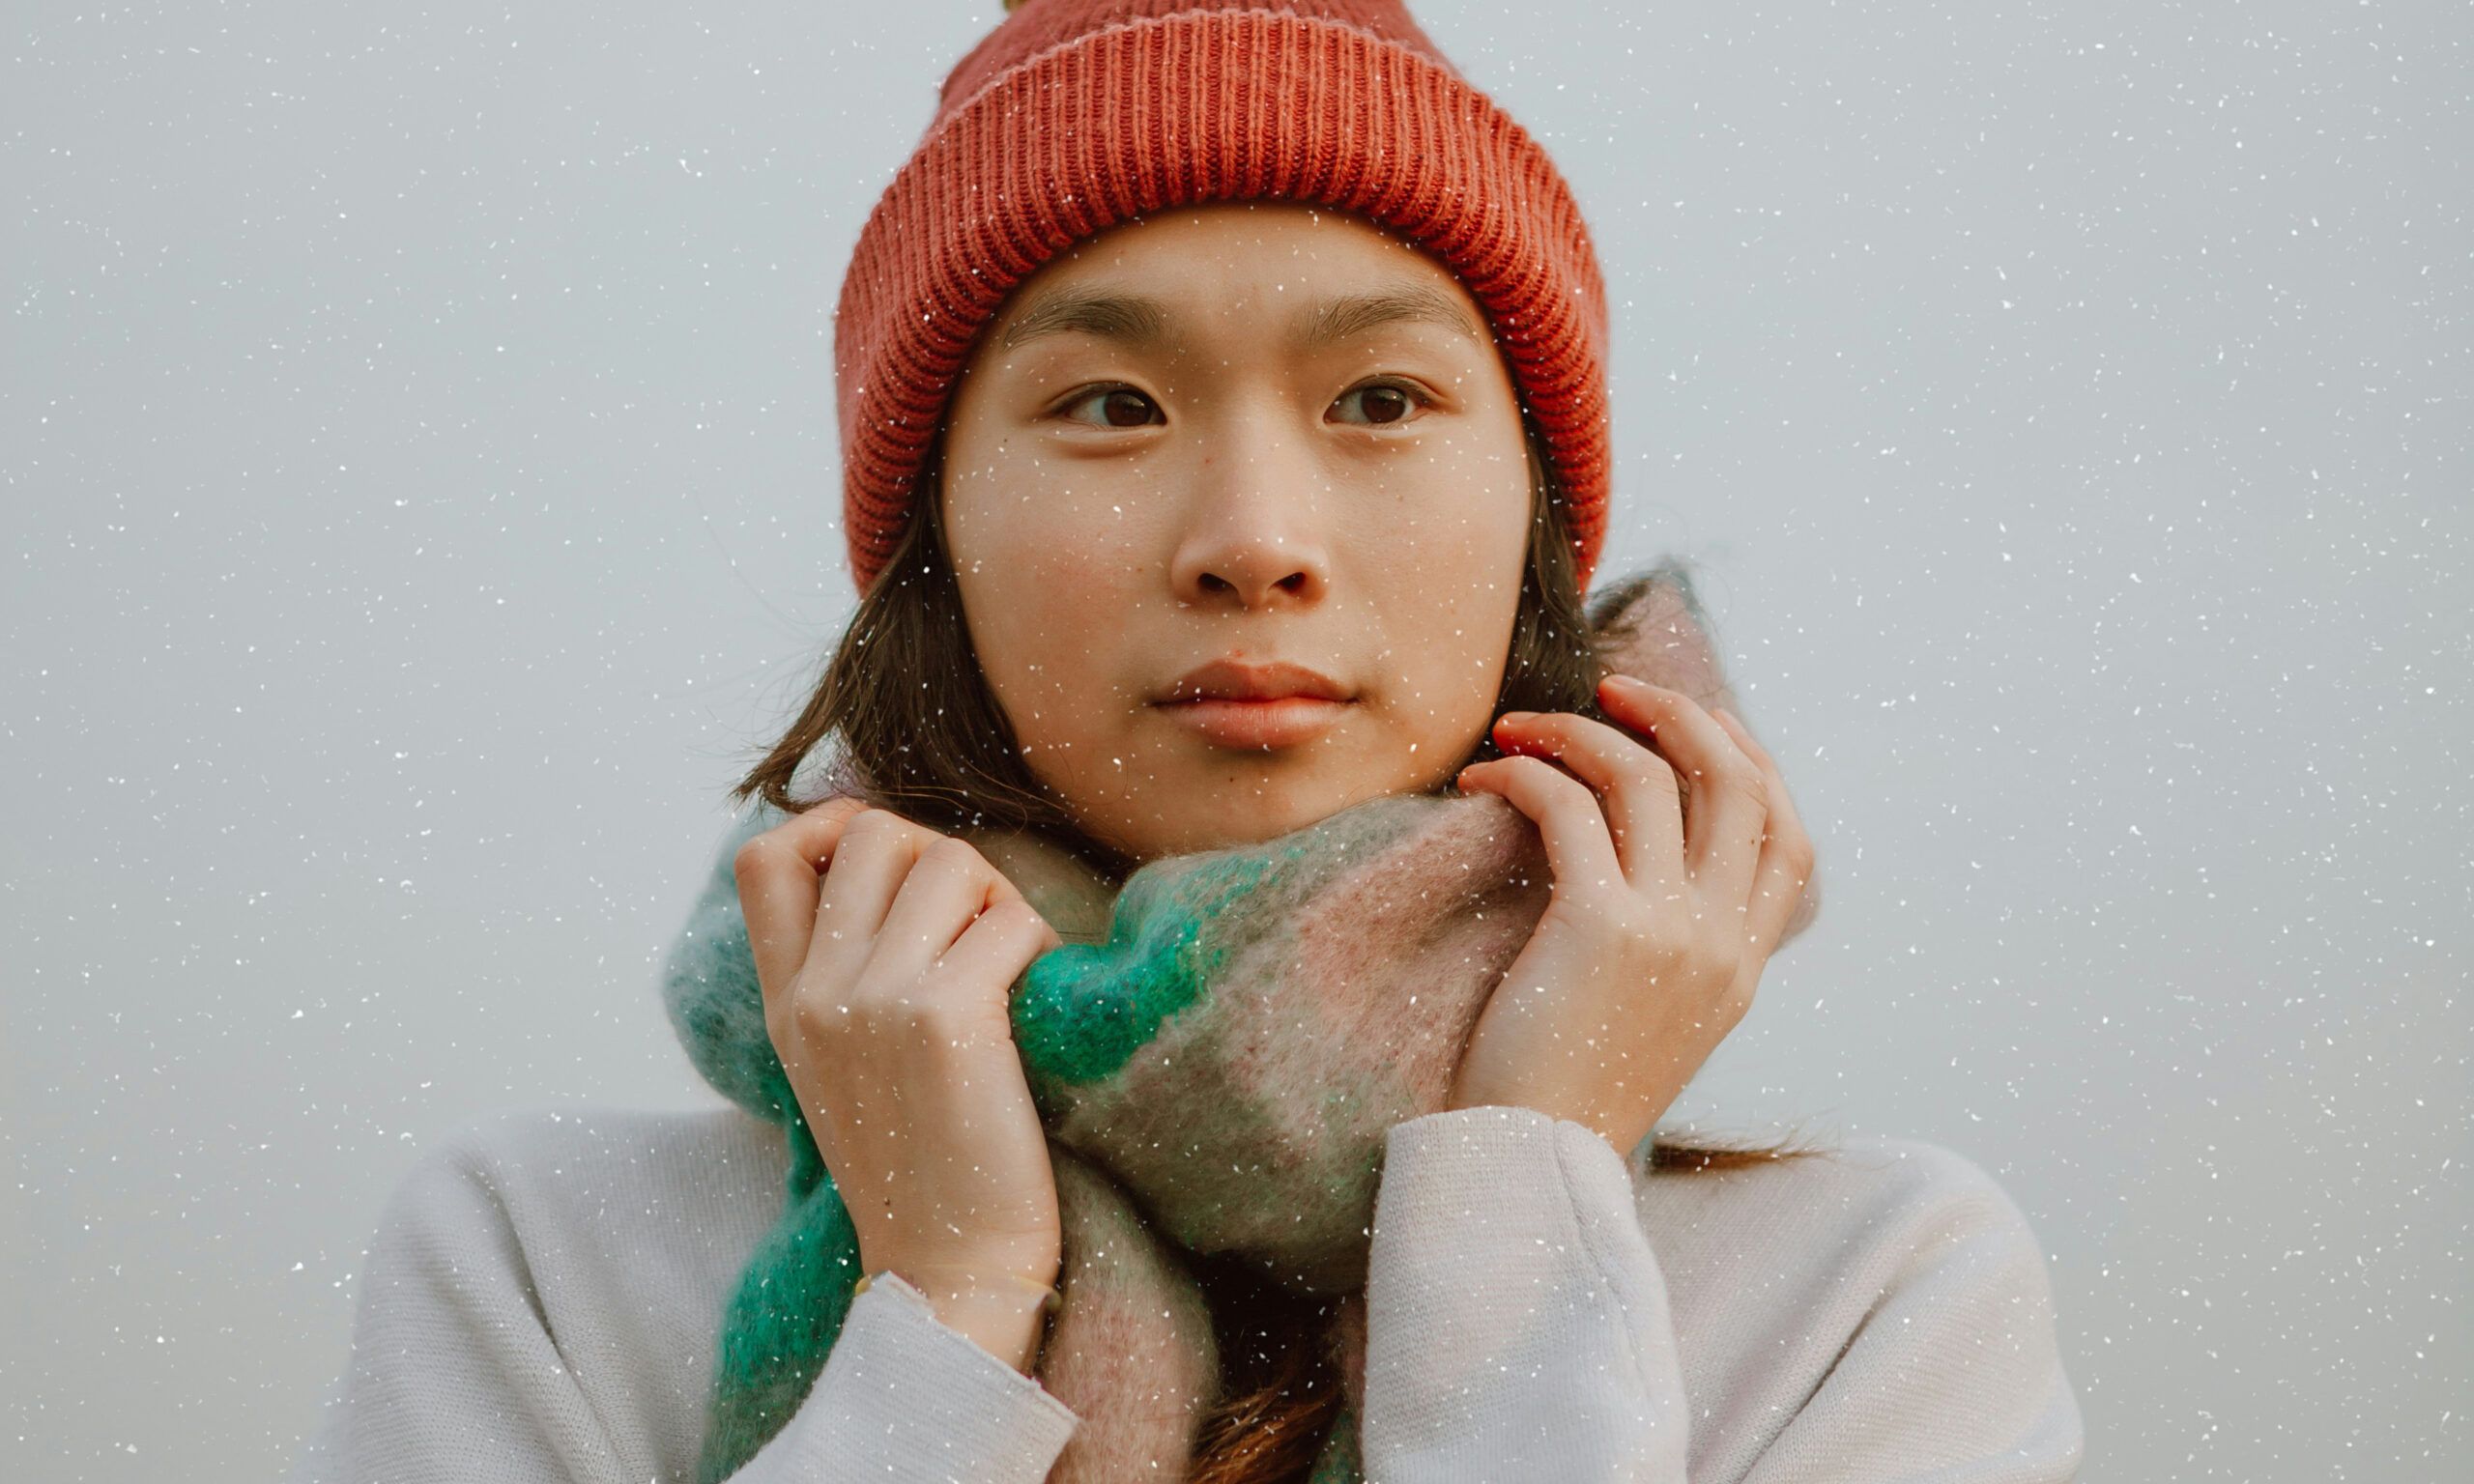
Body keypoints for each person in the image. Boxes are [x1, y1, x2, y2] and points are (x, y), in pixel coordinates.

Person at [284, 3, 2085, 1481]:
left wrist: (1525, 1180)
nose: (1253, 537)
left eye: (1380, 397)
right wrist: (946, 1303)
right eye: (1110, 404)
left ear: (1533, 519)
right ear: (937, 539)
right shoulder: (549, 1267)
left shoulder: (1861, 1296)